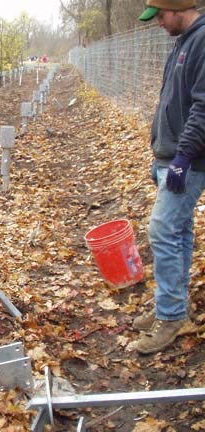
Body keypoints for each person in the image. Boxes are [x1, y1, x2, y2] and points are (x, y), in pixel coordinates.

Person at [132, 0, 205, 354]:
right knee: (178, 232)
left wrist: (181, 157)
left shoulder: (202, 41)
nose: (159, 22)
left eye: (161, 15)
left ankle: (171, 315)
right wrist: (161, 153)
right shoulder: (181, 40)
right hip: (171, 156)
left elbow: (202, 106)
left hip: (188, 161)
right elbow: (170, 102)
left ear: (177, 9)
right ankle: (171, 305)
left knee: (161, 229)